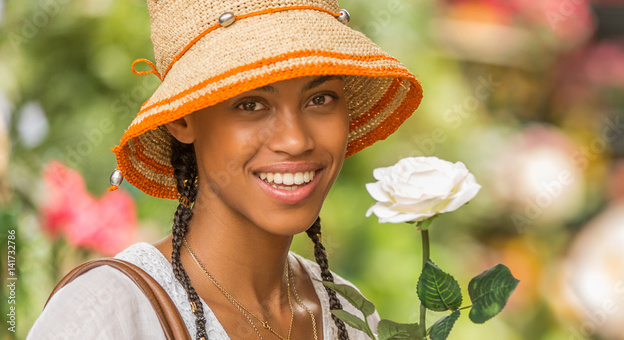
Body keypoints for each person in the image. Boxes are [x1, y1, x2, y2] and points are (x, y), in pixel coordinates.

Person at [27, 0, 422, 339]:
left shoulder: (351, 317)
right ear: (182, 120)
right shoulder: (106, 314)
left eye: (320, 98)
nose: (296, 139)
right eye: (251, 104)